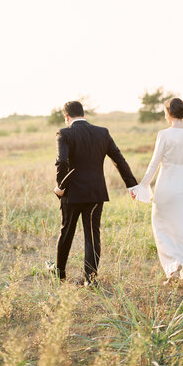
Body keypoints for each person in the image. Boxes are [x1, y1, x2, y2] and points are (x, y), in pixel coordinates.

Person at [54, 101, 138, 285]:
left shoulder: (64, 133)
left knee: (66, 231)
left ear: (66, 117)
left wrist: (60, 186)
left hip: (72, 194)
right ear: (83, 114)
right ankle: (90, 280)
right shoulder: (102, 132)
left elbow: (62, 162)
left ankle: (60, 275)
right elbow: (118, 158)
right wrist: (131, 185)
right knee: (92, 236)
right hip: (95, 193)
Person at [131, 98, 183, 284]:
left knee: (161, 227)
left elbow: (154, 164)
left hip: (165, 187)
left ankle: (173, 266)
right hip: (182, 189)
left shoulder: (164, 135)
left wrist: (141, 186)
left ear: (169, 113)